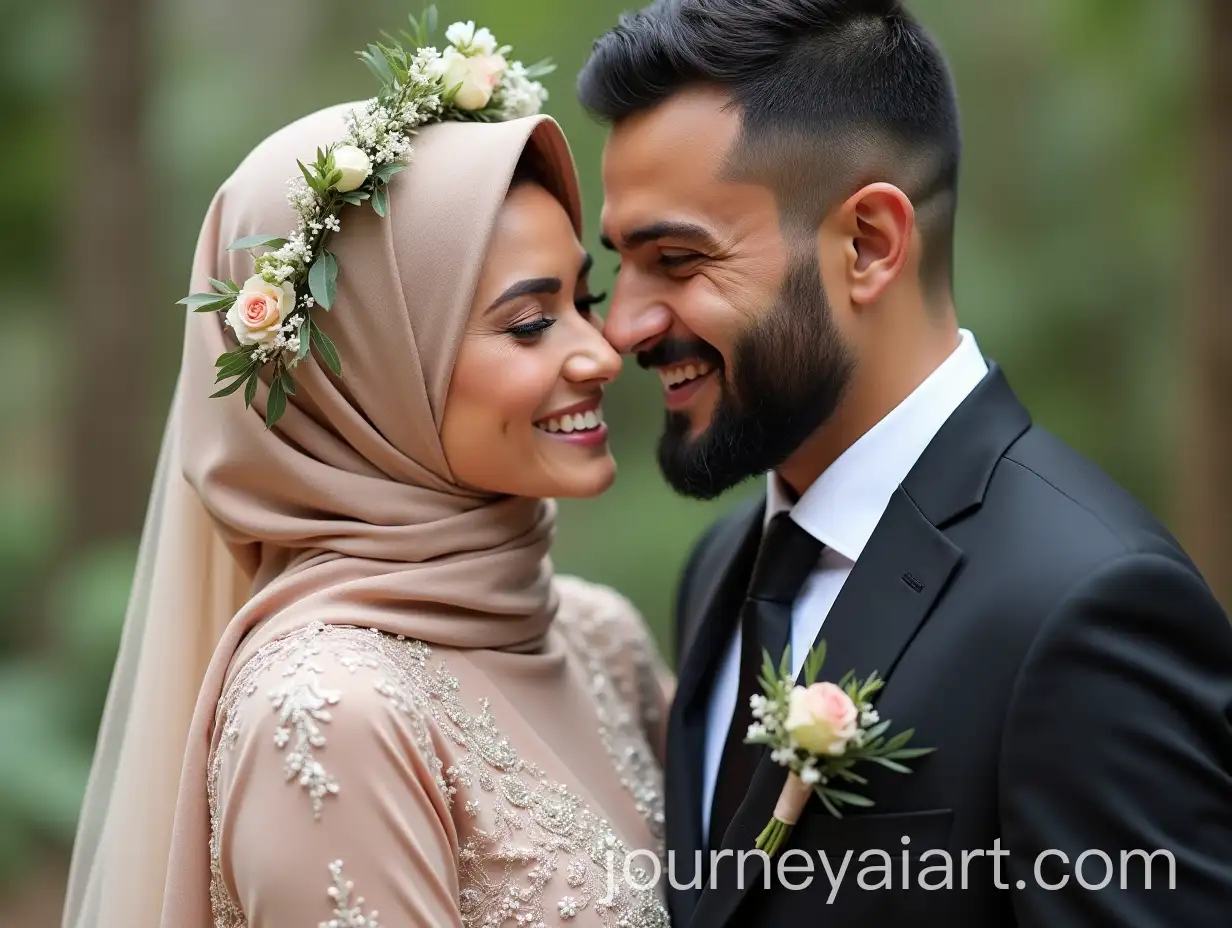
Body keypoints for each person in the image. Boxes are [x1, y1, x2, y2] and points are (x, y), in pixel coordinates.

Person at [579, 0, 1232, 925]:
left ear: (869, 245)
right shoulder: (723, 569)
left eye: (678, 260)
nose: (622, 326)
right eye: (622, 265)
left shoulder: (1086, 605)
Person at [63, 19, 670, 928]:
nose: (600, 352)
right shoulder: (327, 711)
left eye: (580, 299)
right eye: (530, 322)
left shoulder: (595, 636)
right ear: (366, 369)